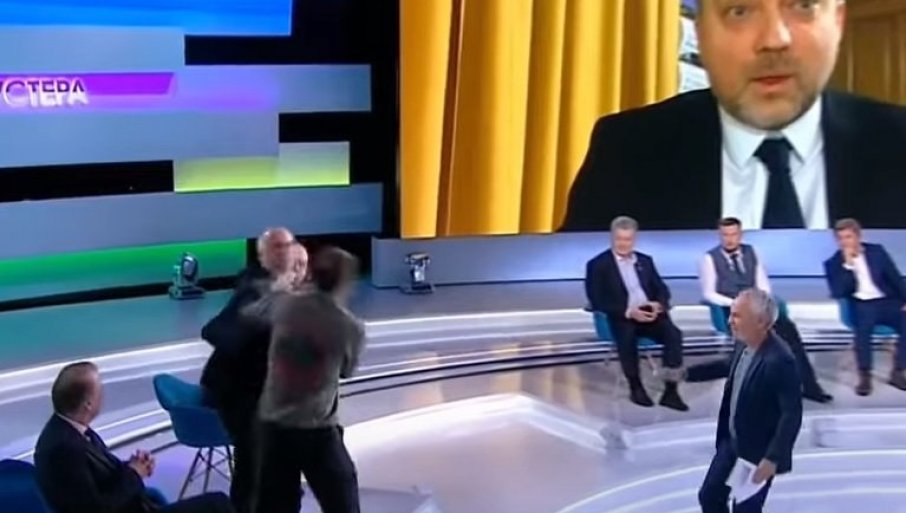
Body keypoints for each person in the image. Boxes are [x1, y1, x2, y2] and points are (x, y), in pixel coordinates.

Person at [561, 0, 906, 232]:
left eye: (803, 5)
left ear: (838, 21)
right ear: (700, 34)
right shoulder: (628, 151)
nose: (775, 39)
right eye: (739, 10)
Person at [34, 362, 234, 513]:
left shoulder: (71, 429)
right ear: (88, 404)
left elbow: (99, 478)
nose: (103, 395)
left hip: (137, 504)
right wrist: (134, 474)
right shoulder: (64, 450)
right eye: (99, 391)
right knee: (217, 505)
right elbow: (97, 508)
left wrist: (133, 465)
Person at [254, 247, 366, 513]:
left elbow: (255, 315)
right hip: (315, 428)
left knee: (275, 505)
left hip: (273, 423)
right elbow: (346, 371)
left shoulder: (284, 305)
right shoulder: (348, 326)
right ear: (345, 282)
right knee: (342, 499)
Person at [199, 227, 296, 513]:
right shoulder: (254, 287)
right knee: (254, 458)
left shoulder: (284, 290)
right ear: (262, 255)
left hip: (262, 390)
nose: (285, 252)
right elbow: (218, 332)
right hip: (238, 392)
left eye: (288, 245)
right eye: (277, 247)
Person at [687, 217, 832, 402]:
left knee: (789, 333)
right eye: (725, 235)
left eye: (733, 234)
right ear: (720, 235)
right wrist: (738, 303)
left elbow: (763, 284)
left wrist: (760, 303)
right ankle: (689, 374)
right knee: (740, 359)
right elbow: (709, 293)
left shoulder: (752, 252)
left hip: (757, 309)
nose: (729, 239)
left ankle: (809, 387)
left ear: (740, 235)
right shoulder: (709, 259)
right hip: (732, 311)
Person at [698, 289, 803, 513]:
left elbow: (791, 413)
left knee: (745, 508)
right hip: (732, 442)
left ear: (761, 322)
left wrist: (772, 459)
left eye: (737, 316)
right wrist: (684, 374)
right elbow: (727, 366)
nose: (730, 321)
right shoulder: (743, 343)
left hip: (757, 452)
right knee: (710, 496)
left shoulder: (780, 360)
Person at [585, 216, 688, 410]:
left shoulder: (645, 261)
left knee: (674, 334)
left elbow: (661, 288)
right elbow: (597, 299)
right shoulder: (598, 265)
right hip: (622, 316)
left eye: (628, 239)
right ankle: (636, 386)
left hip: (649, 314)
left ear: (634, 239)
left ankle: (671, 391)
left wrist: (658, 304)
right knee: (627, 336)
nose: (623, 244)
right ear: (612, 238)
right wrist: (628, 312)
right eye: (619, 239)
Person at [823, 218, 906, 396]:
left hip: (887, 301)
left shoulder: (877, 252)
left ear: (858, 236)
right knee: (863, 328)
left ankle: (898, 371)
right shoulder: (833, 263)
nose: (845, 242)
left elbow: (895, 278)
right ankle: (865, 375)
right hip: (862, 304)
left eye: (848, 237)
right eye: (840, 238)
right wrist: (848, 266)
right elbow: (838, 291)